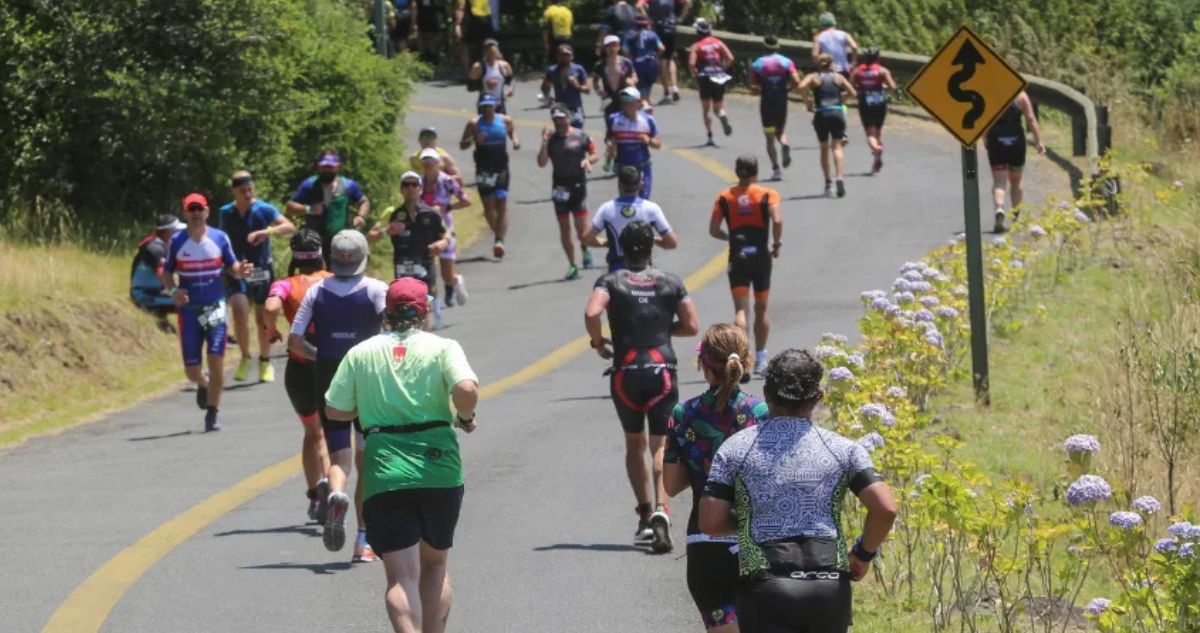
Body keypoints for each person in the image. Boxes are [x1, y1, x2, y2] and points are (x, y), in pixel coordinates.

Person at [700, 349, 898, 633]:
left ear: (766, 394)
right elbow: (886, 508)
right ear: (818, 397)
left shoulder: (736, 448)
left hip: (766, 587)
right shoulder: (844, 449)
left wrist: (751, 520)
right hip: (828, 586)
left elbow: (711, 521)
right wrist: (862, 555)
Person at [325, 277, 479, 633]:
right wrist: (465, 417)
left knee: (400, 575)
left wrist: (365, 406)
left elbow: (334, 410)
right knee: (436, 565)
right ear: (424, 311)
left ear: (387, 313)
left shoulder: (361, 352)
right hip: (439, 466)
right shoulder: (443, 347)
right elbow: (466, 388)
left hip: (385, 470)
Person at [584, 221, 699, 548]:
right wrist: (663, 329)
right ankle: (663, 508)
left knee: (634, 443)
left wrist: (598, 342)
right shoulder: (671, 282)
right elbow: (692, 326)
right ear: (652, 247)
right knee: (660, 445)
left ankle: (646, 514)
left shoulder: (610, 280)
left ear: (621, 248)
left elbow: (592, 312)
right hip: (662, 369)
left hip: (626, 370)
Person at [288, 229, 389, 562]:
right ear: (364, 258)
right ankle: (363, 541)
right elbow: (393, 331)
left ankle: (336, 492)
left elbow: (294, 341)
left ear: (332, 259)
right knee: (366, 458)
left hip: (330, 376)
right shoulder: (377, 290)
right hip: (369, 380)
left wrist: (323, 355)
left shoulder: (316, 292)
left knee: (338, 451)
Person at [664, 323, 769, 627]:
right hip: (757, 539)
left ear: (703, 365)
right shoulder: (761, 412)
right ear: (746, 362)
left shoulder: (684, 415)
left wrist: (702, 470)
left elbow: (670, 485)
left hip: (705, 541)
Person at [161, 193, 254, 432]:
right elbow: (166, 272)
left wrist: (240, 270)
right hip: (189, 310)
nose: (196, 213)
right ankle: (203, 383)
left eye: (199, 209)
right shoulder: (177, 241)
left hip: (214, 307)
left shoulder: (219, 237)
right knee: (192, 371)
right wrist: (173, 291)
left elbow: (232, 266)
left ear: (207, 211)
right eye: (191, 209)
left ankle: (213, 413)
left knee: (216, 358)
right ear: (185, 213)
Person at [264, 229, 334, 524]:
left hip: (300, 365)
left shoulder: (285, 283)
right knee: (334, 432)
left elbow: (270, 306)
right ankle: (332, 486)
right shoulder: (333, 280)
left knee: (312, 431)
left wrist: (272, 329)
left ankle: (314, 493)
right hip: (332, 364)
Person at [709, 155, 783, 378]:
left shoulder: (724, 197)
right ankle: (761, 359)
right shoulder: (768, 194)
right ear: (756, 172)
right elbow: (777, 220)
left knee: (741, 310)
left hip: (738, 255)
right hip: (760, 254)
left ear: (736, 171)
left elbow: (713, 229)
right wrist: (776, 243)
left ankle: (744, 362)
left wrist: (729, 238)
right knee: (761, 307)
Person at [220, 170, 296, 383]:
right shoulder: (226, 212)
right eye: (243, 190)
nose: (247, 194)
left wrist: (267, 232)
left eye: (250, 189)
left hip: (262, 268)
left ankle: (265, 360)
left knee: (262, 317)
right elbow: (220, 238)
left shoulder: (263, 209)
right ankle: (245, 356)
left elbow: (289, 226)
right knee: (239, 312)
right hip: (237, 269)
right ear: (234, 191)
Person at [537, 105, 601, 279]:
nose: (558, 122)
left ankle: (585, 249)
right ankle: (572, 265)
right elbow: (542, 163)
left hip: (578, 187)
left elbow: (595, 154)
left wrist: (588, 161)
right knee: (564, 229)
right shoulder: (551, 140)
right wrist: (543, 142)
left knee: (581, 230)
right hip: (559, 189)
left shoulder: (581, 135)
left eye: (561, 118)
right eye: (555, 118)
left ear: (569, 117)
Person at [285, 149, 372, 267]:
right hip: (313, 241)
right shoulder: (309, 184)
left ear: (338, 166)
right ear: (319, 166)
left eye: (330, 167)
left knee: (339, 274)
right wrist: (309, 209)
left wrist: (360, 216)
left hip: (341, 241)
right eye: (324, 166)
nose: (327, 170)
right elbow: (290, 207)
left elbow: (363, 201)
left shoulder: (348, 185)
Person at [459, 94, 520, 259]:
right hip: (483, 170)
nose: (487, 109)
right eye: (484, 106)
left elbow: (513, 132)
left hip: (501, 168)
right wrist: (473, 139)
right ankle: (499, 235)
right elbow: (462, 145)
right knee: (488, 208)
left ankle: (499, 240)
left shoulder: (505, 121)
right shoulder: (474, 124)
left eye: (489, 106)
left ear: (495, 106)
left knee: (501, 202)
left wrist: (515, 141)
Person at [583, 166, 676, 272]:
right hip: (644, 271)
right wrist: (651, 239)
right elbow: (671, 243)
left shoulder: (607, 209)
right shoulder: (651, 209)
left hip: (617, 272)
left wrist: (607, 243)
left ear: (619, 184)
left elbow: (587, 239)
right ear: (641, 185)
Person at [387, 171, 451, 328]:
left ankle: (424, 342)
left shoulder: (431, 213)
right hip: (403, 266)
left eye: (414, 185)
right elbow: (374, 234)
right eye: (406, 185)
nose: (410, 188)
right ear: (401, 190)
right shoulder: (394, 214)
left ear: (420, 189)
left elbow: (446, 233)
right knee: (404, 307)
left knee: (424, 307)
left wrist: (443, 243)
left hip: (424, 265)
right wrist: (388, 230)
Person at [417, 148, 471, 307]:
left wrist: (447, 207)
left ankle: (456, 281)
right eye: (425, 162)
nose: (428, 165)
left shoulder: (447, 181)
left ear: (437, 164)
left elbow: (466, 200)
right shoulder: (418, 183)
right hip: (425, 230)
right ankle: (426, 302)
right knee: (423, 268)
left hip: (445, 229)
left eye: (431, 162)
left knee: (447, 274)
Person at [798, 54, 856, 198]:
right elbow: (853, 92)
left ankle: (828, 183)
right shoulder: (838, 78)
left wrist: (807, 102)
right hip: (837, 113)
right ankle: (840, 178)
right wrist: (842, 99)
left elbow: (801, 86)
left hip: (821, 114)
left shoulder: (814, 77)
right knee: (837, 147)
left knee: (824, 149)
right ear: (831, 64)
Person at [988, 90, 1045, 233]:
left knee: (999, 181)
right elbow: (1031, 118)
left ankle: (999, 208)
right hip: (1016, 139)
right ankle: (1016, 218)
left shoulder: (990, 94)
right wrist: (1039, 141)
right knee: (1016, 180)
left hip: (996, 138)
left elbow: (985, 121)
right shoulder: (1020, 95)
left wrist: (985, 140)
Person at [749, 35, 802, 181]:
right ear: (778, 46)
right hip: (781, 100)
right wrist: (788, 89)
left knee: (769, 137)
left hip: (767, 101)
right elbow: (797, 80)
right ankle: (785, 144)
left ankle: (776, 169)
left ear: (764, 47)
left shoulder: (757, 64)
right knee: (781, 131)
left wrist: (761, 90)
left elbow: (753, 88)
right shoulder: (786, 62)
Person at [605, 87, 661, 198]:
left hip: (642, 167)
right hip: (623, 169)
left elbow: (658, 144)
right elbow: (609, 137)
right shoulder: (613, 119)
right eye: (624, 102)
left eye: (630, 101)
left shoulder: (648, 120)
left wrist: (648, 140)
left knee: (643, 202)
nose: (626, 105)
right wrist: (610, 144)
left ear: (638, 102)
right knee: (627, 203)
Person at [130, 213, 185, 327]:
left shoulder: (162, 246)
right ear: (167, 232)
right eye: (177, 231)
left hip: (153, 293)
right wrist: (175, 292)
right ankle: (212, 331)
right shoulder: (156, 248)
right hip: (144, 296)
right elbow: (162, 275)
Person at [688, 19, 735, 145]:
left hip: (705, 78)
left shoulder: (696, 46)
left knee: (706, 109)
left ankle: (710, 136)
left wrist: (695, 73)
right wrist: (723, 68)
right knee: (718, 108)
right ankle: (722, 115)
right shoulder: (718, 42)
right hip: (719, 76)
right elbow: (730, 58)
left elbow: (692, 64)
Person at [851, 46, 897, 175]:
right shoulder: (883, 71)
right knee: (878, 131)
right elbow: (893, 86)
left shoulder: (858, 71)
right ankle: (877, 157)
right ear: (878, 57)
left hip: (865, 102)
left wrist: (861, 87)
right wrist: (883, 86)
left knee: (870, 133)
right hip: (880, 103)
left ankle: (876, 149)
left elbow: (851, 85)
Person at [639, 0, 690, 104]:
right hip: (671, 27)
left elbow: (638, 5)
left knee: (661, 59)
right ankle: (675, 87)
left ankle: (667, 93)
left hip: (659, 28)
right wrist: (681, 17)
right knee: (670, 58)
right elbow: (688, 2)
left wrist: (648, 19)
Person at [540, 44, 591, 129]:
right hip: (560, 109)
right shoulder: (552, 70)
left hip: (575, 108)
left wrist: (577, 85)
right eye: (562, 55)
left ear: (572, 56)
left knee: (577, 136)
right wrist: (549, 99)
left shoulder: (578, 69)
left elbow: (587, 90)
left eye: (567, 55)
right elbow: (544, 86)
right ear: (558, 57)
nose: (565, 58)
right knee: (562, 136)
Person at [592, 35, 638, 125]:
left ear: (618, 47)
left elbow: (634, 76)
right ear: (605, 48)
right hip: (609, 98)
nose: (612, 48)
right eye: (609, 46)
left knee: (627, 123)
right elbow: (595, 80)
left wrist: (632, 81)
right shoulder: (600, 65)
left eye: (614, 45)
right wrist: (599, 91)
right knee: (611, 124)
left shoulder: (625, 62)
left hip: (625, 97)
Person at [624, 17, 665, 110]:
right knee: (647, 87)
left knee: (639, 87)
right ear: (647, 25)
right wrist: (656, 55)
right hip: (651, 63)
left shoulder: (629, 35)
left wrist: (630, 58)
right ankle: (646, 105)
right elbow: (662, 48)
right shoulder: (653, 34)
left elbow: (625, 50)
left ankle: (643, 106)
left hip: (637, 63)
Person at [468, 39, 514, 115]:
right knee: (486, 126)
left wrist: (509, 89)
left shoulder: (504, 66)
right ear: (484, 52)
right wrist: (486, 85)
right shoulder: (478, 67)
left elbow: (510, 81)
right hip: (485, 104)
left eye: (493, 50)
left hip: (499, 102)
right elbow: (470, 87)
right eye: (488, 50)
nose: (491, 53)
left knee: (502, 125)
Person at [812, 11, 859, 79]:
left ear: (822, 24)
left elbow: (815, 55)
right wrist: (853, 63)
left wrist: (821, 67)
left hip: (828, 71)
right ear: (834, 22)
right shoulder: (844, 34)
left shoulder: (818, 37)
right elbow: (854, 47)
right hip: (844, 70)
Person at [454, 0, 495, 76]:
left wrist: (458, 25)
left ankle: (469, 75)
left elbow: (460, 8)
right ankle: (492, 72)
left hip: (472, 20)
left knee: (465, 46)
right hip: (486, 19)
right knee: (489, 46)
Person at [541, 0, 574, 76]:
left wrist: (546, 44)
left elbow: (545, 30)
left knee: (552, 62)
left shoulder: (548, 11)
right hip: (568, 39)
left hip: (555, 40)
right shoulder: (568, 11)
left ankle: (551, 78)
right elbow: (571, 26)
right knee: (569, 59)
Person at [414, 0, 446, 64]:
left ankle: (430, 58)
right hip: (423, 21)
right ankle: (426, 58)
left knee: (431, 41)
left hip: (431, 22)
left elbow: (441, 8)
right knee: (424, 40)